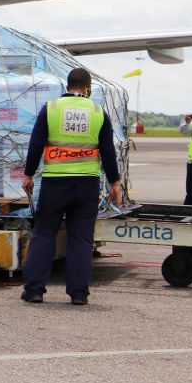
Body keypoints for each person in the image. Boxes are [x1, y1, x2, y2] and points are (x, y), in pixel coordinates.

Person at [20, 68, 121, 306]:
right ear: (88, 87)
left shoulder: (51, 109)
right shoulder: (98, 112)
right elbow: (108, 151)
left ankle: (34, 290)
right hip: (87, 184)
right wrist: (115, 182)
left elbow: (36, 145)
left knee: (44, 234)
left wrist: (28, 174)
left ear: (67, 85)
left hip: (55, 182)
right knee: (81, 239)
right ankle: (78, 294)